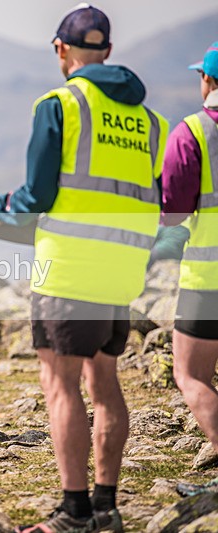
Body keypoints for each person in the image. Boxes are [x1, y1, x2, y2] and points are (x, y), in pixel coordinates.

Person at [0, 4, 168, 532]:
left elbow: (38, 194)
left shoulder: (60, 103)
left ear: (61, 50)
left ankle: (72, 512)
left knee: (60, 384)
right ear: (107, 52)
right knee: (106, 382)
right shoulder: (152, 122)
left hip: (70, 267)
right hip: (123, 269)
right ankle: (105, 507)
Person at [159, 42, 218, 498]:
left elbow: (173, 214)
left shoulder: (193, 132)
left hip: (208, 279)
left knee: (192, 376)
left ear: (208, 80)